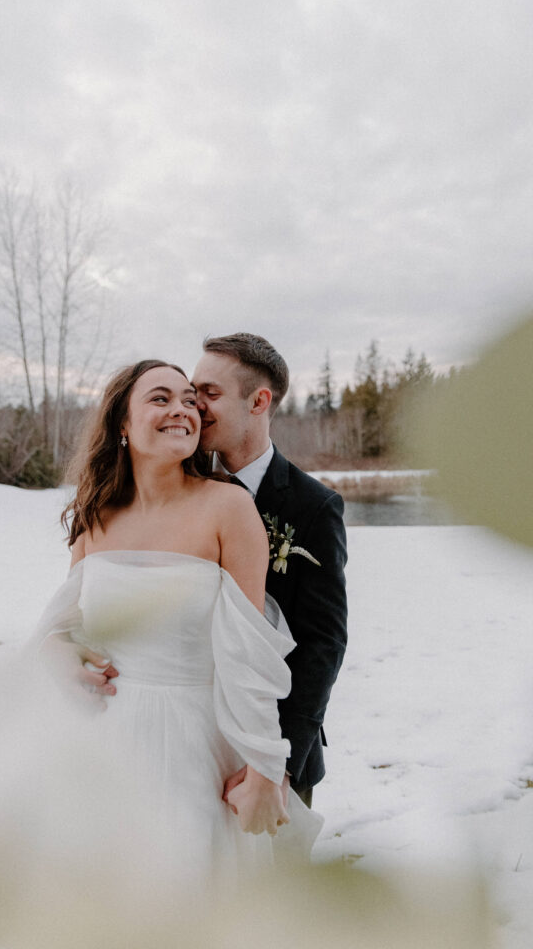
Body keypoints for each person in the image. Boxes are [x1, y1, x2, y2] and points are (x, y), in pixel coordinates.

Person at [35, 359, 319, 880]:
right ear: (122, 423)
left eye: (190, 400)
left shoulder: (228, 508)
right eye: (160, 398)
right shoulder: (95, 517)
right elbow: (61, 629)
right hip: (105, 742)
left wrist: (263, 766)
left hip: (196, 745)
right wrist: (58, 656)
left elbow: (248, 652)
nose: (182, 410)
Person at [80, 334, 349, 809]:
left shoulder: (311, 506)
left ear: (259, 401)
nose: (194, 408)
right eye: (188, 393)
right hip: (145, 732)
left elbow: (322, 644)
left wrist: (274, 762)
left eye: (208, 394)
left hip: (270, 747)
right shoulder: (179, 485)